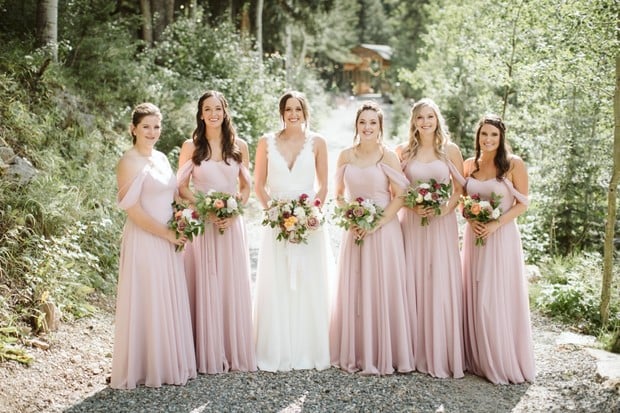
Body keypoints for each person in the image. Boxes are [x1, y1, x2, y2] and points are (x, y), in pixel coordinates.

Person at [110, 102, 196, 389]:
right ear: (133, 128)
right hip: (146, 239)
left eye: (156, 126)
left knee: (165, 296)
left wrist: (183, 219)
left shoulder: (160, 157)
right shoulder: (127, 161)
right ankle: (145, 367)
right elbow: (132, 211)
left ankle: (167, 362)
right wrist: (166, 234)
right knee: (148, 296)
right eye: (146, 126)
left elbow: (171, 197)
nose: (152, 131)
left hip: (168, 236)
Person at [330, 101, 414, 375]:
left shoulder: (387, 156)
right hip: (355, 231)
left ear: (380, 127)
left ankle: (384, 352)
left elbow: (401, 195)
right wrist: (352, 217)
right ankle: (356, 351)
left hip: (383, 230)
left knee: (382, 288)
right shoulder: (345, 155)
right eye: (363, 122)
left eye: (373, 123)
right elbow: (338, 196)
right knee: (356, 288)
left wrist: (375, 223)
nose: (367, 127)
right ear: (356, 125)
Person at [177, 90, 256, 374]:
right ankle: (201, 351)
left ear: (225, 112)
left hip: (231, 225)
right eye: (207, 109)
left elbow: (246, 188)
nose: (213, 114)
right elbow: (181, 186)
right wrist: (204, 207)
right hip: (203, 224)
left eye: (218, 109)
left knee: (230, 283)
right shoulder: (191, 146)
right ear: (200, 114)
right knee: (204, 281)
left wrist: (234, 211)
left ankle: (231, 349)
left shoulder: (239, 146)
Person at [253, 90, 332, 371]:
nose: (293, 114)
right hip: (276, 224)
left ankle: (310, 348)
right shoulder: (265, 142)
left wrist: (312, 214)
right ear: (281, 113)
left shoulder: (318, 142)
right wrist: (272, 212)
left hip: (308, 224)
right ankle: (277, 348)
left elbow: (323, 185)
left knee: (309, 281)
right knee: (278, 281)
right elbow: (258, 185)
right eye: (288, 109)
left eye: (298, 109)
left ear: (305, 112)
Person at [461, 114, 535, 384]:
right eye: (484, 135)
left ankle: (501, 358)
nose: (488, 139)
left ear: (501, 137)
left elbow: (523, 203)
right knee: (476, 291)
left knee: (495, 295)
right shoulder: (470, 165)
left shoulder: (513, 164)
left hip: (501, 237)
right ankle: (478, 357)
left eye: (493, 135)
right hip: (474, 237)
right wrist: (471, 217)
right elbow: (462, 200)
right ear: (477, 137)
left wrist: (495, 224)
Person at [396, 98, 465, 378]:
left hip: (441, 223)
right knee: (412, 278)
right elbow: (396, 191)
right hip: (412, 221)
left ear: (437, 119)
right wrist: (414, 206)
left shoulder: (450, 150)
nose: (425, 122)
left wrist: (442, 209)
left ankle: (441, 351)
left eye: (430, 117)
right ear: (413, 122)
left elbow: (461, 189)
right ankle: (411, 350)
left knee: (438, 278)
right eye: (420, 118)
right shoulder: (404, 152)